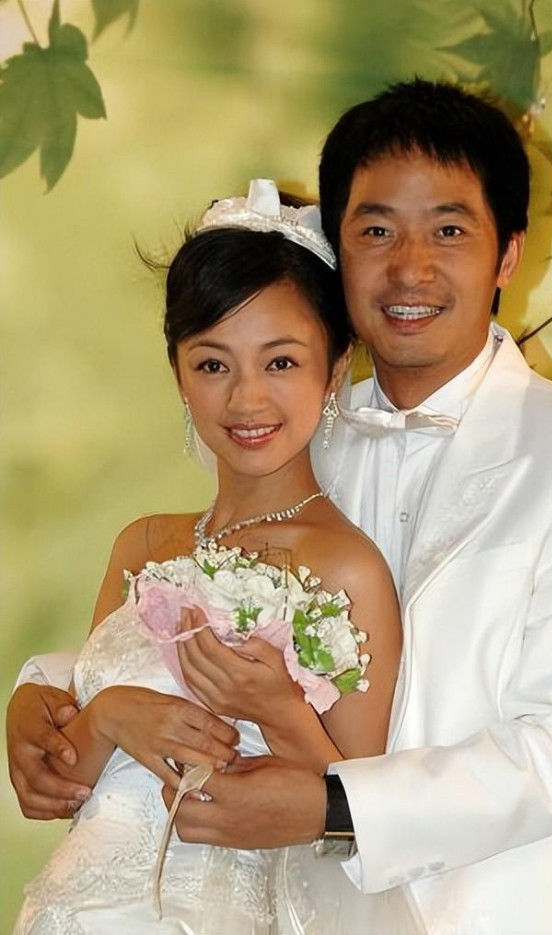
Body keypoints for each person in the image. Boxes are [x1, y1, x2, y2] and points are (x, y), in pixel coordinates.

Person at [8, 80, 552, 934]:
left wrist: (336, 805)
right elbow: (195, 609)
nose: (411, 267)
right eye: (376, 230)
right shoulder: (290, 427)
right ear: (339, 251)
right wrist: (45, 691)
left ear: (508, 255)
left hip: (499, 911)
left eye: (449, 230)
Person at [10, 180, 418, 934]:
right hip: (70, 910)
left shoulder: (347, 567)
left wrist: (276, 707)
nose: (246, 400)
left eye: (281, 362)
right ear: (177, 371)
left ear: (335, 368)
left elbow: (359, 816)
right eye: (212, 364)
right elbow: (62, 787)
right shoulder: (141, 544)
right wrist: (107, 715)